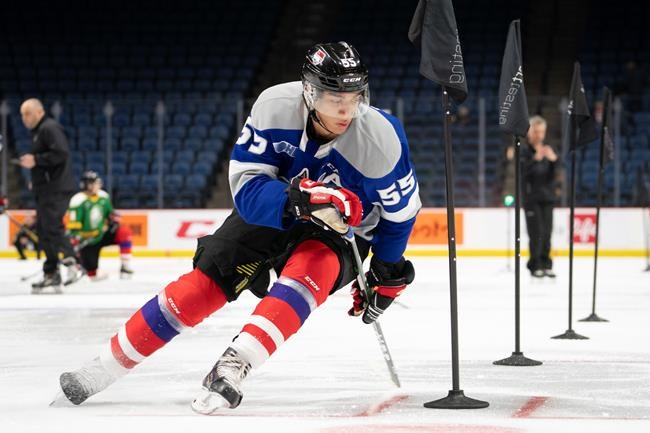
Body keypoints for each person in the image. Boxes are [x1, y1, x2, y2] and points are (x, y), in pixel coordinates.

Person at [56, 41, 420, 412]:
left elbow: (401, 214)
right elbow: (246, 189)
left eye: (355, 97)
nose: (346, 109)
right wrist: (300, 199)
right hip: (278, 206)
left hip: (340, 230)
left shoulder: (382, 141)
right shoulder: (274, 105)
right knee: (207, 280)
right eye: (334, 98)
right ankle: (102, 368)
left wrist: (386, 268)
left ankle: (234, 364)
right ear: (310, 93)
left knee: (311, 272)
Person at [18, 98, 83, 292]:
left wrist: (36, 160)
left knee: (52, 227)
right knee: (45, 230)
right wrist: (36, 179)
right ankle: (51, 273)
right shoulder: (40, 131)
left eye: (27, 113)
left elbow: (61, 154)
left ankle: (73, 263)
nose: (24, 118)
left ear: (39, 112)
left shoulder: (49, 128)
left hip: (55, 189)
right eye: (22, 114)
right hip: (46, 188)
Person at [67, 171, 134, 281]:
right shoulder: (78, 200)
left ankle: (125, 266)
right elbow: (74, 225)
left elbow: (110, 214)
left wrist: (113, 220)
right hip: (87, 240)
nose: (97, 185)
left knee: (124, 231)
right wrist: (77, 240)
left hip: (101, 235)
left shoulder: (103, 196)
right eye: (94, 183)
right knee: (92, 275)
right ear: (86, 185)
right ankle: (77, 266)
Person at [517, 115, 559, 278]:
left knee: (547, 232)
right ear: (530, 132)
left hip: (547, 197)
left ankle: (546, 264)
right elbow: (522, 173)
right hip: (531, 198)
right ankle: (535, 265)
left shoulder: (548, 149)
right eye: (536, 131)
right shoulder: (524, 151)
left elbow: (554, 175)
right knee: (536, 232)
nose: (539, 135)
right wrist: (535, 159)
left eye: (542, 131)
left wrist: (554, 161)